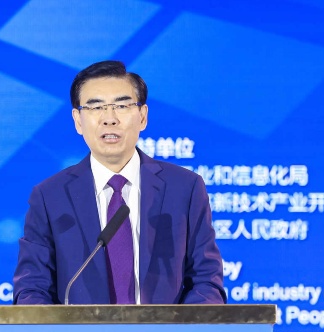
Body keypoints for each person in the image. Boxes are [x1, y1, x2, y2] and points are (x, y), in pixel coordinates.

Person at [13, 60, 225, 305]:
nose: (109, 119)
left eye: (122, 106)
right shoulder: (50, 197)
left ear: (142, 117)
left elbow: (206, 281)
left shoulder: (184, 188)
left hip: (166, 330)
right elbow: (31, 289)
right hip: (80, 331)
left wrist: (181, 327)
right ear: (78, 120)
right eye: (96, 107)